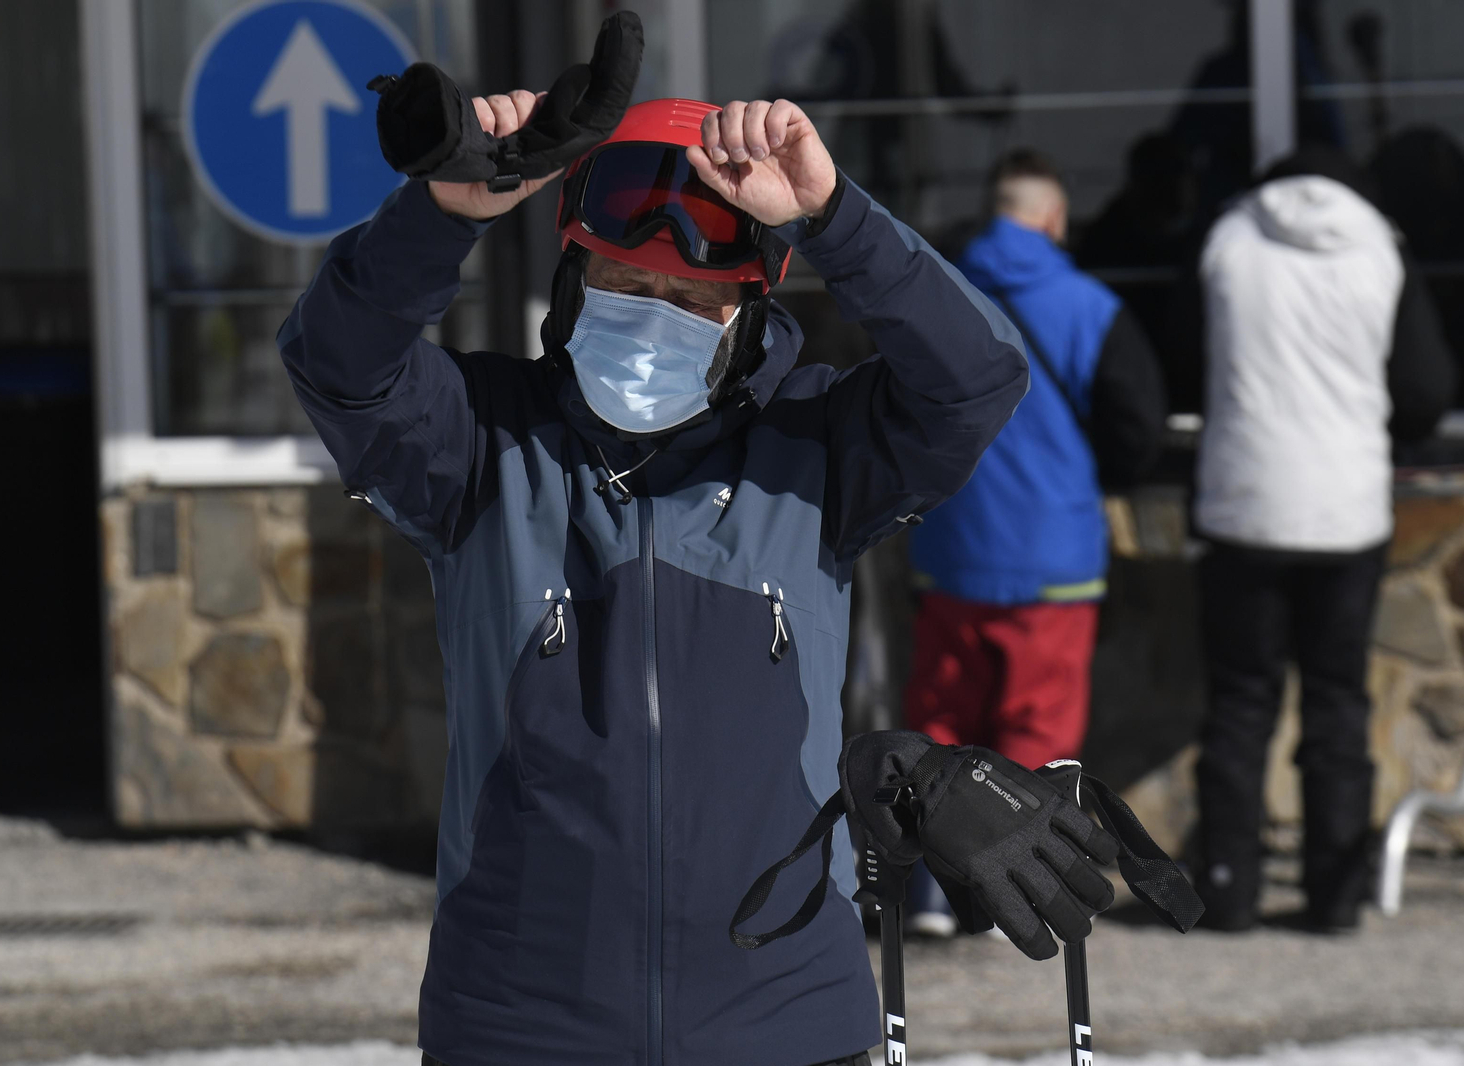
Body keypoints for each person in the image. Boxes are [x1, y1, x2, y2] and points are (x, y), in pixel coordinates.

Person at [279, 73, 1035, 1064]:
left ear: (745, 314)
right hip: (519, 1025)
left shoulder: (812, 450)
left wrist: (828, 218)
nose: (653, 314)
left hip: (786, 1025)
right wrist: (442, 214)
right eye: (625, 283)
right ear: (573, 285)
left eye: (691, 296)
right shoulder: (477, 444)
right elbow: (335, 359)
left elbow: (976, 379)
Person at [1185, 145, 1457, 932]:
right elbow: (1425, 392)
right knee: (1338, 706)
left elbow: (1181, 357)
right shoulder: (1380, 245)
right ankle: (1334, 896)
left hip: (1242, 505)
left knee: (1240, 703)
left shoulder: (1226, 239)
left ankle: (1227, 887)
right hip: (1345, 510)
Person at [902, 148, 1166, 936]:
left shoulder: (937, 294)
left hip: (951, 548)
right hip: (1054, 559)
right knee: (1037, 737)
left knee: (939, 726)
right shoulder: (1090, 306)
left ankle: (925, 895)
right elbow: (1137, 431)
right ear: (1053, 220)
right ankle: (1011, 896)